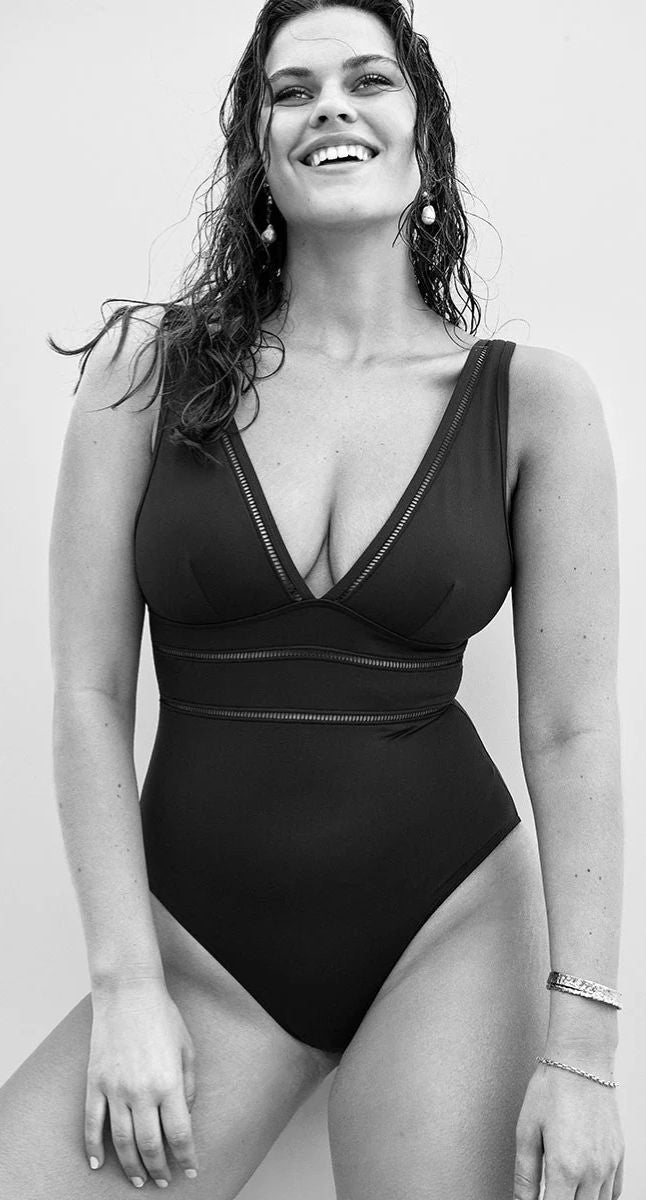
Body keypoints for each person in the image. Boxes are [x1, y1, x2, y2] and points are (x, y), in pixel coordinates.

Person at [0, 1, 625, 1196]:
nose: (330, 104)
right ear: (260, 156)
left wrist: (583, 1055)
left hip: (449, 932)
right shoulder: (145, 375)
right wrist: (125, 984)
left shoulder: (534, 404)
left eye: (368, 79)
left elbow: (572, 732)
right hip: (196, 955)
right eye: (292, 90)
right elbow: (87, 695)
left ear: (424, 137)